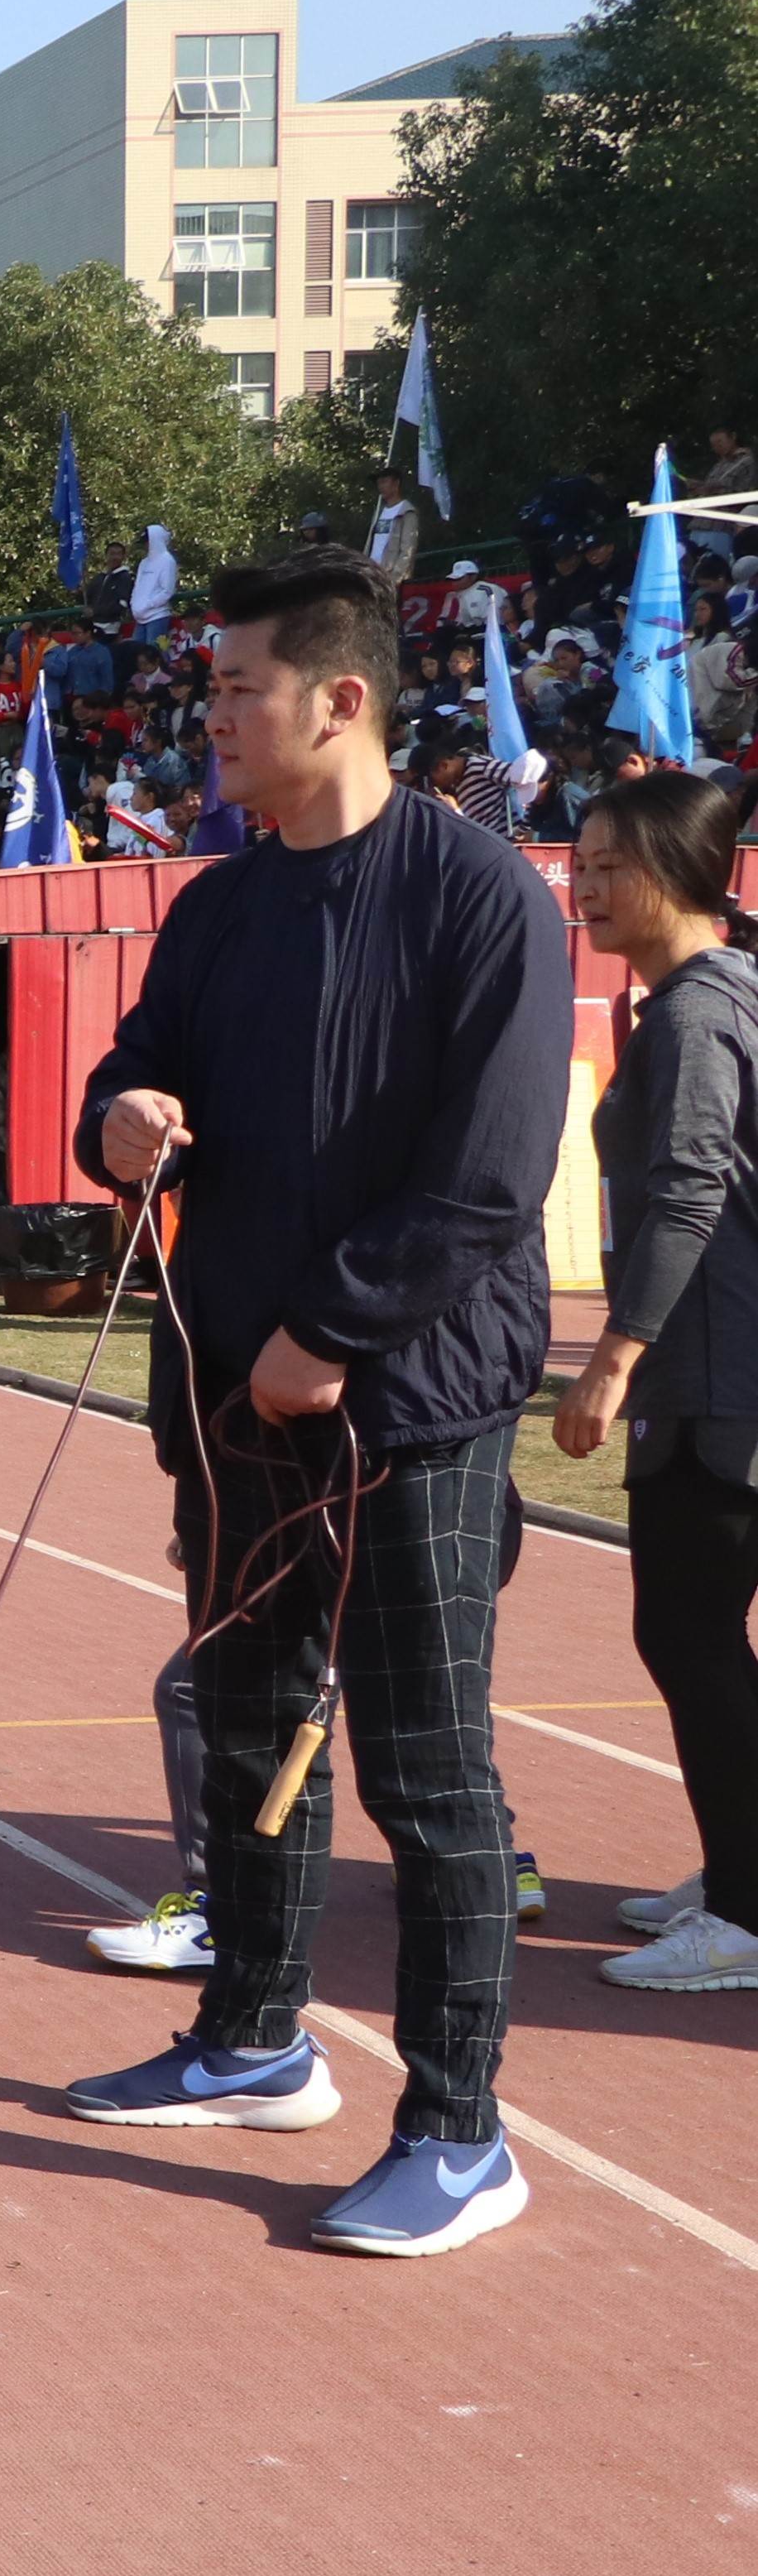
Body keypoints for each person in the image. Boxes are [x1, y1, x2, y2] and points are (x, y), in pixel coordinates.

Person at [64, 547, 568, 2259]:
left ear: (338, 698)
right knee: (246, 1720)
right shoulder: (221, 905)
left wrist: (330, 1333)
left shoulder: (481, 898)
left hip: (407, 1407)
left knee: (427, 1769)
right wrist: (122, 1117)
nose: (207, 718)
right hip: (231, 1403)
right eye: (208, 688)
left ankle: (458, 2128)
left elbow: (488, 1179)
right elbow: (136, 1067)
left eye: (235, 689)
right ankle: (252, 2036)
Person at [549, 770, 758, 1989]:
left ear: (676, 876)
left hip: (715, 1376)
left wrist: (610, 1361)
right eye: (578, 863)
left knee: (688, 1631)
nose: (583, 885)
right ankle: (737, 1869)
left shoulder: (695, 1012)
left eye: (607, 866)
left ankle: (744, 1910)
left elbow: (687, 1194)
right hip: (717, 1363)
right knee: (696, 1632)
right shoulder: (704, 997)